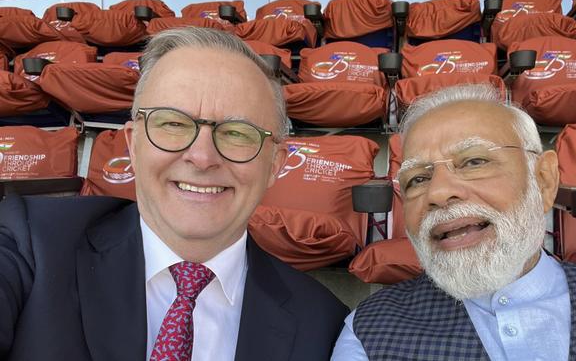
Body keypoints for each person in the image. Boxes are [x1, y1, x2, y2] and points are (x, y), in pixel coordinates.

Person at [0, 27, 348, 361]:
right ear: (133, 145)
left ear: (274, 163)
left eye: (238, 133)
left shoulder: (324, 324)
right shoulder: (30, 244)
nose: (202, 157)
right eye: (173, 124)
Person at [331, 83, 576, 361]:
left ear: (543, 180)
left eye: (474, 161)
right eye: (417, 178)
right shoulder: (370, 330)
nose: (439, 193)